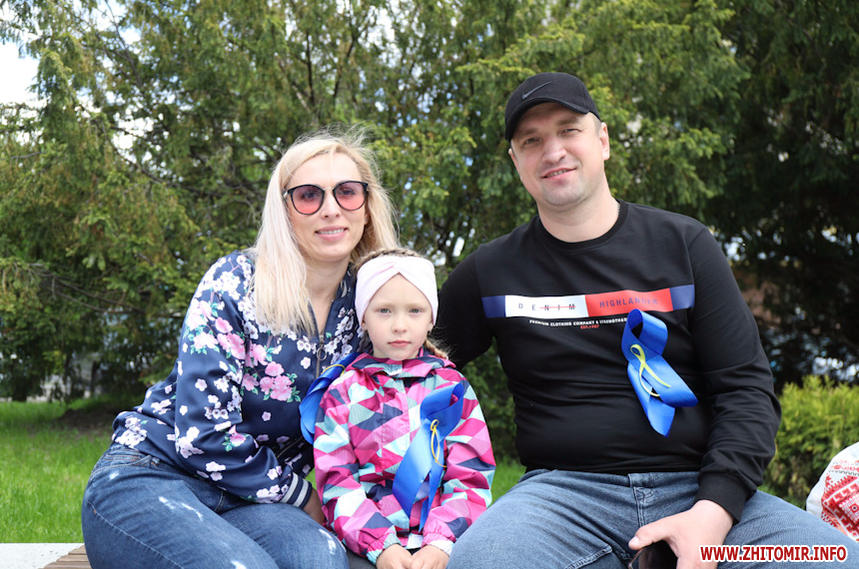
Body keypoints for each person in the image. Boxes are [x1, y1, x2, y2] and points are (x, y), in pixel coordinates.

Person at [436, 72, 859, 569]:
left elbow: (746, 389)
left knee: (834, 558)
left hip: (702, 492)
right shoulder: (490, 271)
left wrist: (712, 513)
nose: (552, 151)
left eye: (569, 130)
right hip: (560, 502)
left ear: (603, 140)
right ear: (515, 161)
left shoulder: (686, 245)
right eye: (531, 140)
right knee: (481, 563)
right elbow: (404, 363)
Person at [80, 126, 398, 569]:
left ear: (367, 206)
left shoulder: (372, 306)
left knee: (322, 561)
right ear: (284, 212)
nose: (331, 209)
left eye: (347, 192)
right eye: (309, 195)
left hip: (257, 502)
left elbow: (386, 425)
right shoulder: (236, 283)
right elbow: (203, 434)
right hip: (154, 476)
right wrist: (303, 496)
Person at [312, 248, 495, 569]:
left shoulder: (452, 389)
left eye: (414, 311)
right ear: (363, 317)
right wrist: (380, 546)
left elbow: (471, 475)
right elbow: (337, 481)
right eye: (384, 311)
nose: (399, 325)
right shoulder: (343, 392)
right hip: (364, 545)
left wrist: (440, 543)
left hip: (444, 543)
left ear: (431, 318)